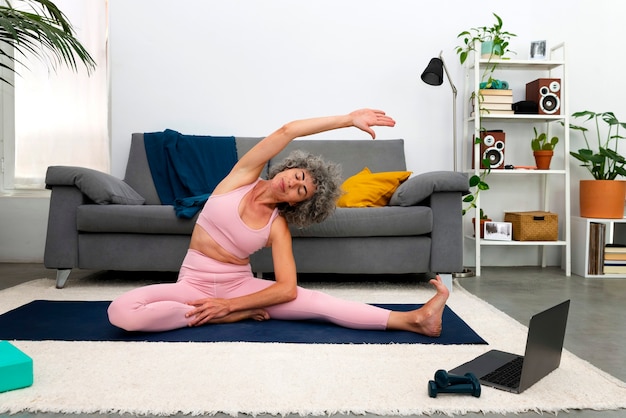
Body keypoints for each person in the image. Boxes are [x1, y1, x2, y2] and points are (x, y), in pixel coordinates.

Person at [107, 109, 449, 337]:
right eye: (298, 175)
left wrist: (231, 304)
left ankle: (413, 319)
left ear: (297, 203)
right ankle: (222, 317)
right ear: (287, 167)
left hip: (240, 289)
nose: (294, 184)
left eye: (302, 190)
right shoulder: (240, 178)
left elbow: (286, 288)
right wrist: (347, 119)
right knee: (122, 312)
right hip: (192, 283)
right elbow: (287, 131)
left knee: (317, 303)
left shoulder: (277, 226)